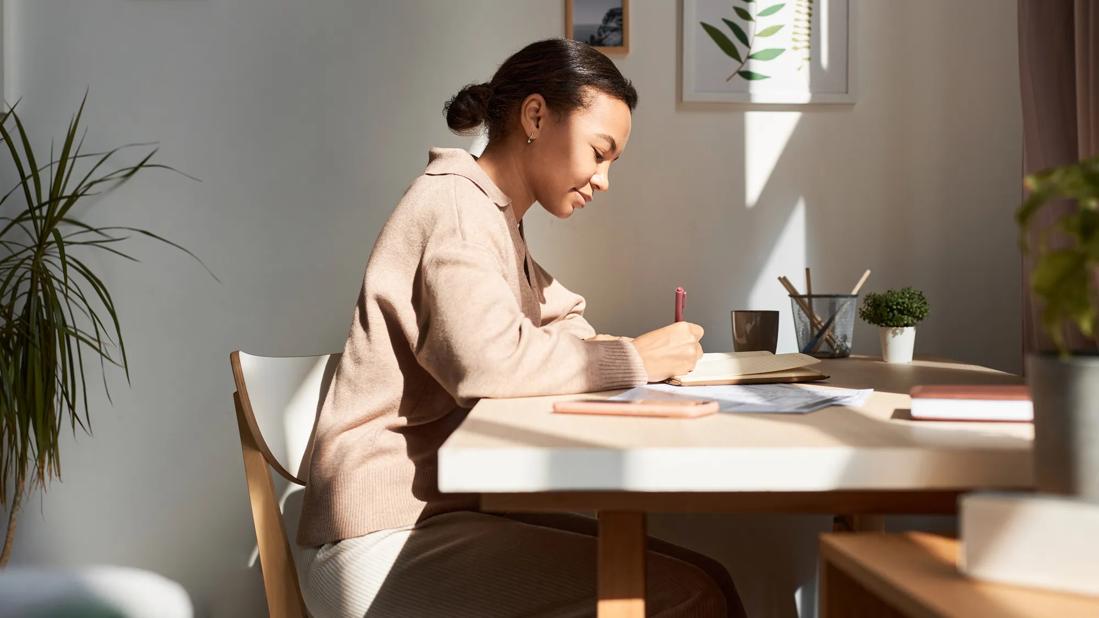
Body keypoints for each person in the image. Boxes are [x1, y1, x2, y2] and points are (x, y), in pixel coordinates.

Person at [297, 38, 747, 617]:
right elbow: (487, 362)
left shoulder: (493, 218)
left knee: (707, 577)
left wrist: (627, 352)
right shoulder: (457, 206)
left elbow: (564, 320)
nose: (604, 179)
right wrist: (634, 359)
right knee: (690, 595)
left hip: (430, 513)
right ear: (536, 116)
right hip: (376, 538)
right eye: (600, 152)